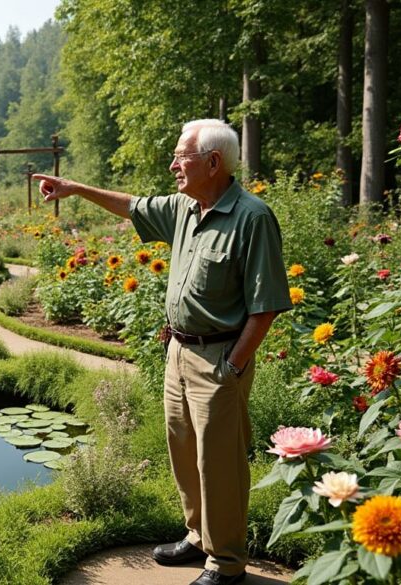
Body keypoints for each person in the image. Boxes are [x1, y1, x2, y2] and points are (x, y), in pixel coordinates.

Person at [35, 119, 291, 585]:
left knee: (220, 464)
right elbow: (130, 206)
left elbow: (266, 306)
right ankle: (198, 537)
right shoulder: (183, 208)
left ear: (213, 162)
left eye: (181, 157)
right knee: (185, 452)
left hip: (218, 360)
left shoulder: (251, 217)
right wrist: (73, 188)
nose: (173, 166)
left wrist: (232, 366)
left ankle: (227, 563)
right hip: (178, 352)